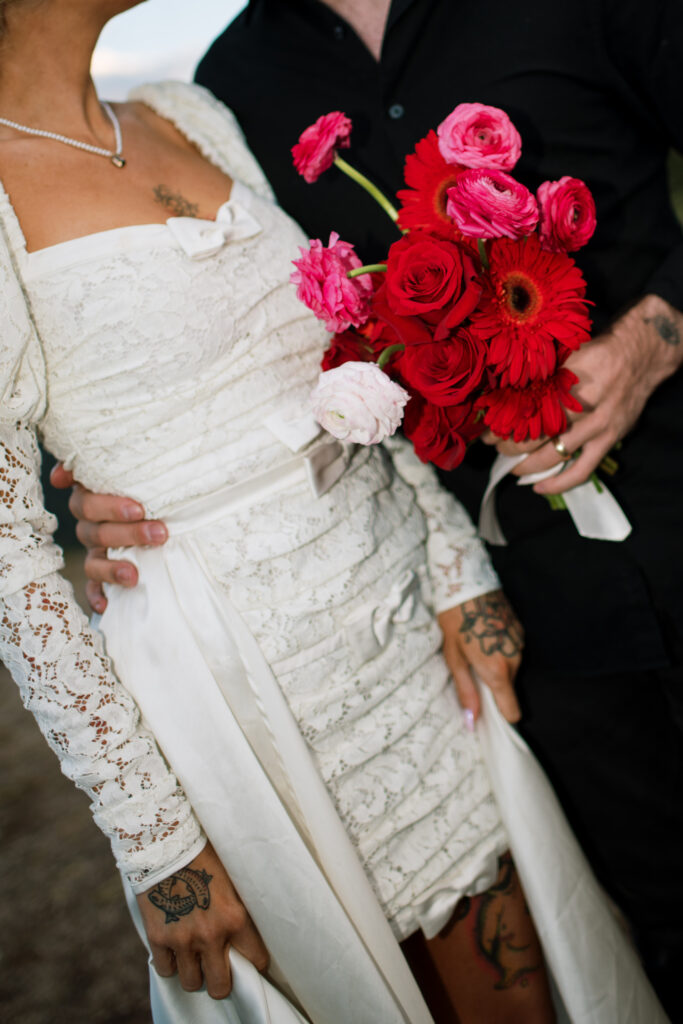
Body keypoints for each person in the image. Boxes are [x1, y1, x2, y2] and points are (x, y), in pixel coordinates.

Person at [2, 2, 668, 1022]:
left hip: (397, 620)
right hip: (233, 674)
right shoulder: (43, 175)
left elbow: (336, 359)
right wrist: (155, 838)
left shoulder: (188, 111)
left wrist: (454, 571)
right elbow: (9, 550)